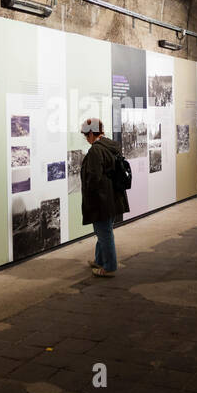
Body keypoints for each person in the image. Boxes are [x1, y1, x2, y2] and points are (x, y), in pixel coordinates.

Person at [79, 117, 128, 277]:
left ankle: (110, 267)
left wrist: (89, 198)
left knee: (104, 233)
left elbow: (94, 178)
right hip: (113, 196)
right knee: (103, 231)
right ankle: (99, 260)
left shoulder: (96, 150)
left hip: (102, 199)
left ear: (92, 133)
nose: (86, 139)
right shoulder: (110, 145)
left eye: (87, 135)